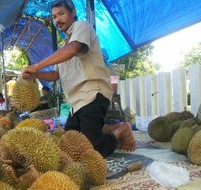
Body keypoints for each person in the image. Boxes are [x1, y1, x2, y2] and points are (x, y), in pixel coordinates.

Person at [22, 0, 135, 157]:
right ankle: (106, 129)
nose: (57, 19)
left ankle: (121, 129)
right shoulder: (64, 46)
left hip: (93, 94)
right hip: (76, 103)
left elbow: (73, 49)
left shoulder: (82, 27)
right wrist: (36, 74)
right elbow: (55, 75)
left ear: (72, 12)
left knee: (91, 150)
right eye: (54, 17)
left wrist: (37, 66)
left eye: (61, 14)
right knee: (71, 146)